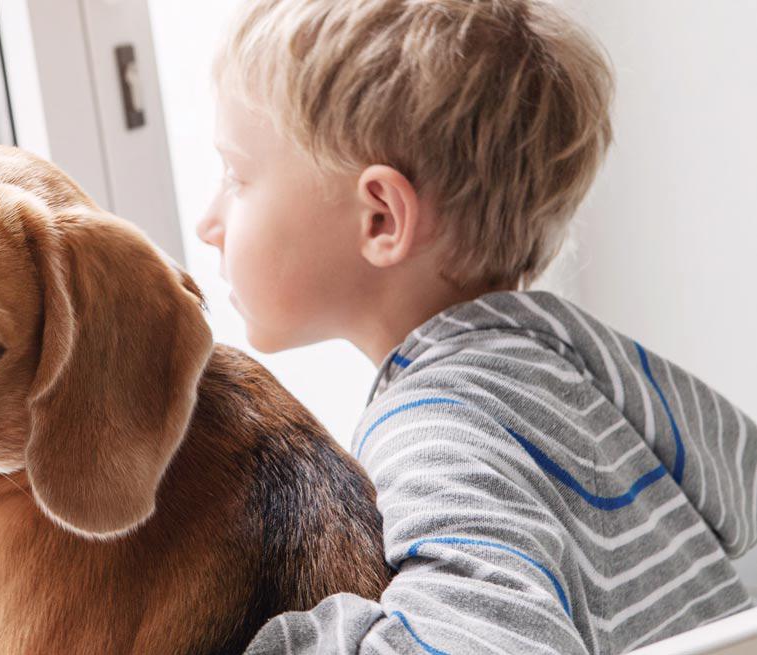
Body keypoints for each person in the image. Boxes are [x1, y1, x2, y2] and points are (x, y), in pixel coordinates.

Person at [194, 0, 757, 652]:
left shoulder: (434, 428)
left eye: (236, 175)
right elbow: (740, 479)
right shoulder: (571, 348)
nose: (209, 221)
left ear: (380, 218)